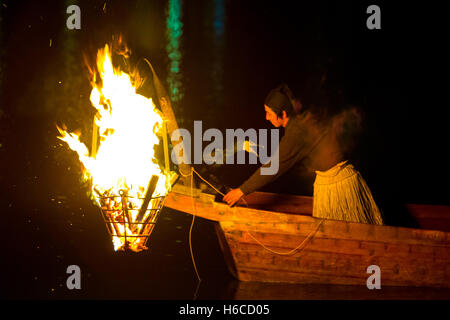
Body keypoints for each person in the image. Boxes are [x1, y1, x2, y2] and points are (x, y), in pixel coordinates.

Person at [223, 83, 383, 225]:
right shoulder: (299, 121)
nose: (266, 117)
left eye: (269, 113)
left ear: (283, 114)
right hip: (328, 181)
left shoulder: (297, 132)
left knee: (347, 231)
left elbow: (273, 167)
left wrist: (241, 191)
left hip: (339, 185)